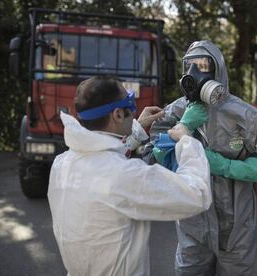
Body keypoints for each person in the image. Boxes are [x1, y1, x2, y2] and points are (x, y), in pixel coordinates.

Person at [143, 41, 257, 275]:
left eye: (202, 66)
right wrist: (181, 129)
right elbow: (149, 158)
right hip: (192, 228)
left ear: (217, 71)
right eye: (188, 66)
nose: (193, 74)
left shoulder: (248, 117)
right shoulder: (175, 112)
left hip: (235, 232)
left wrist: (225, 165)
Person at [47, 76, 212, 276]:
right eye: (130, 102)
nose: (134, 110)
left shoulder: (62, 164)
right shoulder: (126, 176)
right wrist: (186, 140)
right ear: (117, 114)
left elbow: (102, 156)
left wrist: (136, 128)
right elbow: (197, 194)